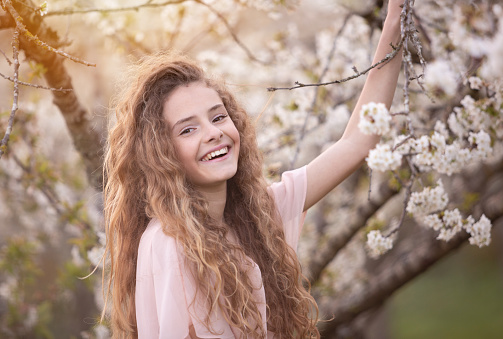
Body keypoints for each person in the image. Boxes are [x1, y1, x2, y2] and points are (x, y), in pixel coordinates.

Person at [103, 0, 404, 337]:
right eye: (188, 129)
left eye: (218, 117)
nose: (213, 132)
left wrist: (394, 24)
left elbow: (358, 142)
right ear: (161, 153)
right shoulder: (168, 242)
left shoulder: (259, 215)